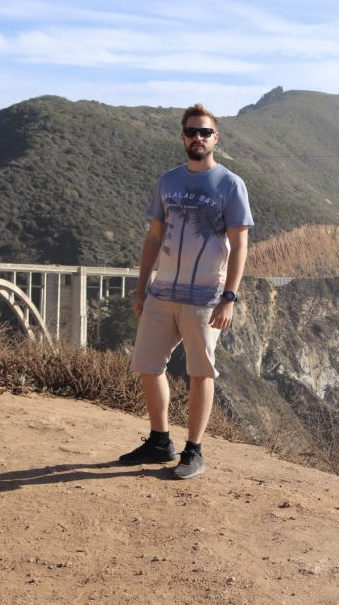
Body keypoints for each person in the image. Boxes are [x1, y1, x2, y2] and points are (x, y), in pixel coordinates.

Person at [119, 103, 253, 479]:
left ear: (215, 138)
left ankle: (194, 451)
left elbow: (240, 246)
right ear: (182, 137)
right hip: (162, 292)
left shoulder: (230, 184)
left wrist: (229, 296)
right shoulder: (168, 181)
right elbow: (153, 237)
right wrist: (141, 286)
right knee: (148, 365)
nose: (198, 138)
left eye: (205, 132)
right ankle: (160, 441)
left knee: (200, 373)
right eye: (192, 132)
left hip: (206, 297)